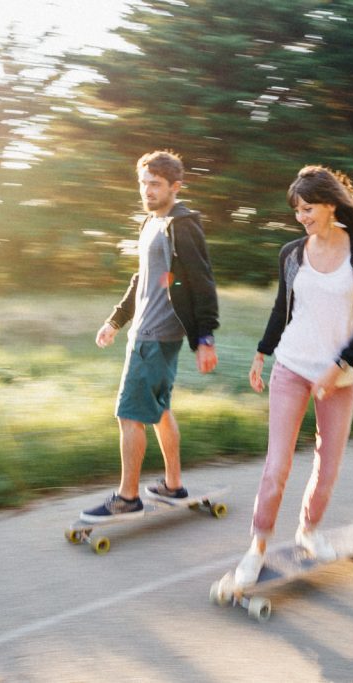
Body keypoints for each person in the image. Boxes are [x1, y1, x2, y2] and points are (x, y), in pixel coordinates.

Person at [232, 165, 353, 587]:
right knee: (276, 465)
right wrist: (263, 353)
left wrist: (337, 368)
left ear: (331, 204)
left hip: (339, 375)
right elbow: (283, 308)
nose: (302, 217)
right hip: (292, 366)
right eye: (297, 210)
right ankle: (256, 548)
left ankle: (309, 532)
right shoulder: (292, 254)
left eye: (309, 208)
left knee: (328, 463)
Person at [81, 150, 219, 521]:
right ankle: (173, 485)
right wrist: (116, 320)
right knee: (160, 410)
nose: (147, 191)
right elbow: (142, 278)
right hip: (146, 329)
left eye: (155, 184)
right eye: (143, 183)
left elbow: (202, 281)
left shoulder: (182, 225)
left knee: (129, 414)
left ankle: (127, 497)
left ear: (176, 186)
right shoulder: (150, 224)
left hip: (157, 335)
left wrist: (205, 337)